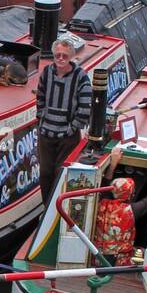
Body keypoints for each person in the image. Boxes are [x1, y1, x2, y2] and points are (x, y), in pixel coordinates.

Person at [34, 36, 93, 209]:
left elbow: (85, 105)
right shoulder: (47, 72)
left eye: (64, 56)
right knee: (45, 173)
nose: (60, 58)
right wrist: (41, 119)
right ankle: (47, 208)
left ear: (72, 57)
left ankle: (56, 210)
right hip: (46, 133)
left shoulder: (81, 77)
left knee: (60, 173)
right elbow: (40, 96)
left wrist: (73, 127)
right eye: (57, 55)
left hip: (67, 136)